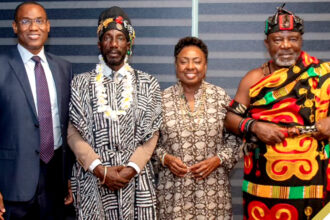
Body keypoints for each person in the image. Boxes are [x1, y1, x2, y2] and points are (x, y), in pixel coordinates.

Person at [225, 4, 330, 219]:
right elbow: (230, 119)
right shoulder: (254, 78)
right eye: (278, 40)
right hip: (263, 186)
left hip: (315, 183)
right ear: (267, 43)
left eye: (293, 39)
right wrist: (254, 126)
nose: (286, 46)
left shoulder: (322, 73)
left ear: (301, 40)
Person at [67, 6, 162, 219]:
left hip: (136, 179)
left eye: (120, 38)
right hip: (94, 178)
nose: (113, 44)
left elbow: (152, 135)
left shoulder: (148, 83)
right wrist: (100, 169)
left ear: (129, 44)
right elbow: (73, 135)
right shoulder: (81, 83)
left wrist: (130, 169)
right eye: (107, 37)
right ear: (99, 43)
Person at [0, 2, 74, 220]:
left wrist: (68, 176)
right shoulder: (1, 66)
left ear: (48, 26)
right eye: (25, 21)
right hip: (12, 184)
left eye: (39, 21)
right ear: (15, 27)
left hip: (54, 182)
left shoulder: (64, 68)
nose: (33, 27)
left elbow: (67, 124)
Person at [155, 36, 241, 219]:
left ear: (205, 66)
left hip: (213, 195)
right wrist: (165, 158)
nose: (190, 67)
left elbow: (237, 139)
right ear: (176, 66)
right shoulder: (161, 100)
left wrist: (218, 159)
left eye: (197, 61)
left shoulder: (220, 97)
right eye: (184, 61)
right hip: (173, 195)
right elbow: (148, 144)